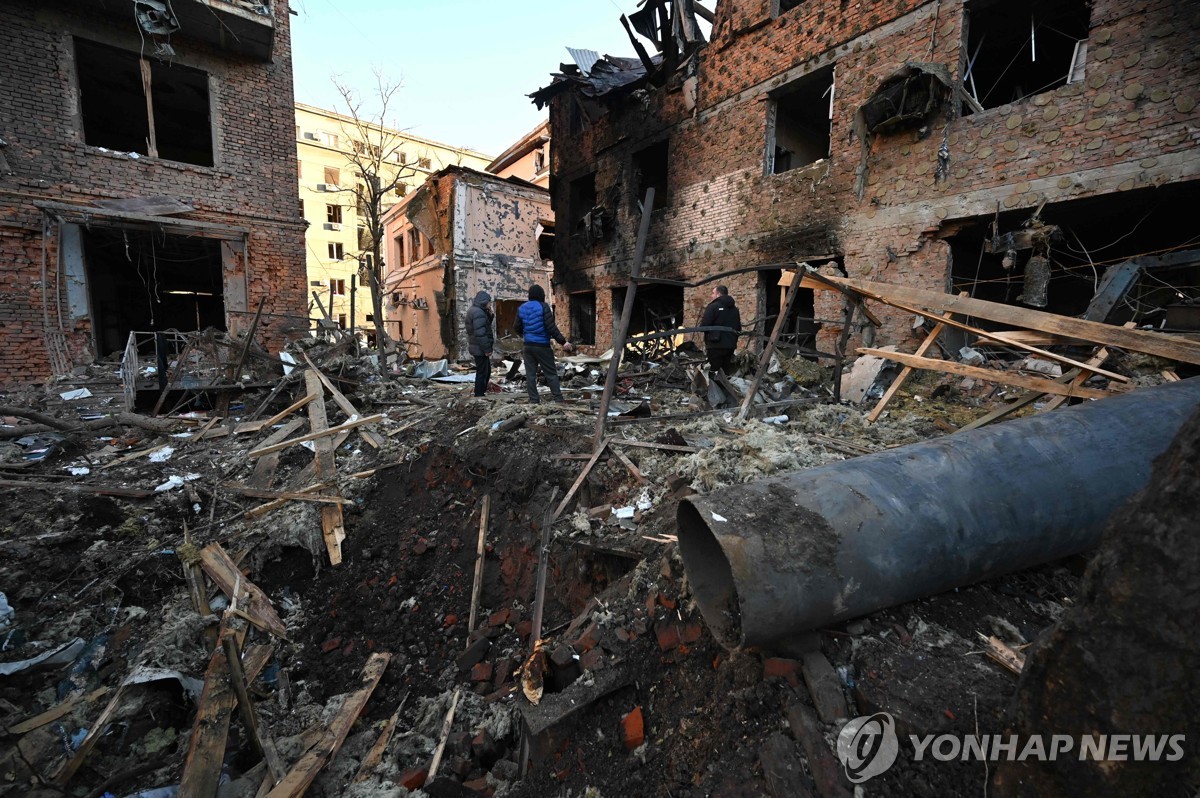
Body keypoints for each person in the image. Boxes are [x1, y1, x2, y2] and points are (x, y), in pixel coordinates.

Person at [513, 284, 574, 403]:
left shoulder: (522, 308)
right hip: (542, 346)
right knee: (551, 374)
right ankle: (558, 399)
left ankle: (534, 400)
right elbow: (551, 328)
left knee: (530, 375)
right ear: (541, 295)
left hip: (528, 346)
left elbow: (516, 327)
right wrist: (563, 342)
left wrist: (526, 334)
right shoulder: (543, 307)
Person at [699, 285, 741, 375]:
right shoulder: (735, 309)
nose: (711, 296)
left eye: (713, 293)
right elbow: (738, 328)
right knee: (726, 371)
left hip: (715, 345)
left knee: (714, 372)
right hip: (730, 345)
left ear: (718, 294)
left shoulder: (713, 307)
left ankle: (714, 388)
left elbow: (704, 326)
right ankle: (724, 388)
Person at [465, 290, 494, 397]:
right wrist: (487, 349)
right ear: (484, 301)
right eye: (489, 302)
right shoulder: (478, 312)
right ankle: (479, 394)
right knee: (483, 372)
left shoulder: (476, 311)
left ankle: (481, 392)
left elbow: (484, 325)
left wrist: (490, 314)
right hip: (479, 347)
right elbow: (481, 333)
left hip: (477, 346)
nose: (490, 304)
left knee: (486, 370)